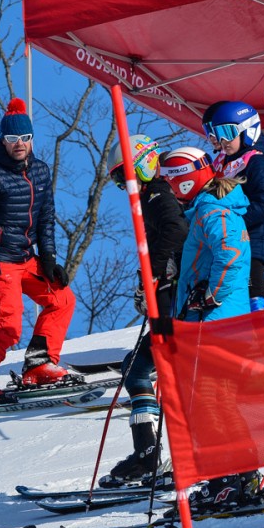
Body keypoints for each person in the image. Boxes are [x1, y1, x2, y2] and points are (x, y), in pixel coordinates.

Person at [160, 146, 264, 512]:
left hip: (214, 324)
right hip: (216, 323)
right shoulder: (207, 209)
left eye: (170, 181)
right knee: (221, 402)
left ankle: (224, 480)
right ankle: (242, 475)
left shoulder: (211, 209)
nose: (169, 189)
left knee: (208, 403)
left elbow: (231, 255)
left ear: (184, 180)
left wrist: (210, 294)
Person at [0, 97, 76, 406]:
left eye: (25, 137)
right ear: (3, 140)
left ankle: (39, 365)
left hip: (27, 257)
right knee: (9, 323)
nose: (19, 143)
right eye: (12, 138)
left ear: (32, 139)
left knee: (62, 299)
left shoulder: (40, 171)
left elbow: (46, 217)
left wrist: (48, 258)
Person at [99, 134, 187, 487]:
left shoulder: (158, 194)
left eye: (126, 175)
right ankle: (146, 453)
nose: (125, 186)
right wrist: (145, 284)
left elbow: (176, 231)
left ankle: (159, 454)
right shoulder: (152, 196)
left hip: (176, 308)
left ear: (145, 164)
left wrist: (155, 271)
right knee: (135, 368)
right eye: (119, 181)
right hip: (167, 303)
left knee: (145, 371)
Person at [207, 101, 264, 310]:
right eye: (218, 134)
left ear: (248, 130)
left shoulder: (257, 162)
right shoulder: (226, 163)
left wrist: (234, 221)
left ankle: (262, 315)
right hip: (230, 239)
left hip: (252, 238)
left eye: (228, 133)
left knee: (251, 289)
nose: (223, 141)